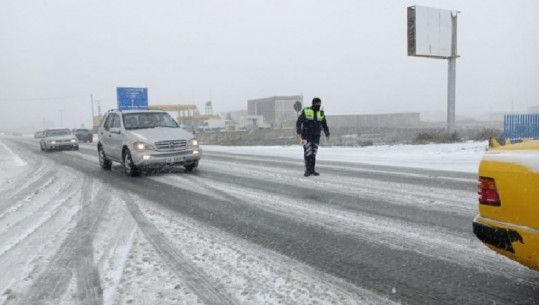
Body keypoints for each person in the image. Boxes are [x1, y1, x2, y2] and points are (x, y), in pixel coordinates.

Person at [296, 97, 330, 176]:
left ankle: (312, 170)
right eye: (317, 103)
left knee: (313, 153)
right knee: (308, 152)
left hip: (316, 136)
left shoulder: (321, 113)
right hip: (306, 136)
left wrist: (327, 133)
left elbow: (324, 124)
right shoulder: (306, 111)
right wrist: (299, 132)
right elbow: (299, 122)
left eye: (320, 103)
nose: (319, 105)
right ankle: (307, 170)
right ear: (313, 103)